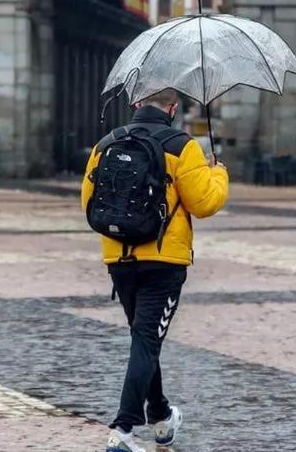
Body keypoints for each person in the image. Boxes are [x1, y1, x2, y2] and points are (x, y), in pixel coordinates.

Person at [81, 89, 229, 452]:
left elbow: (89, 200)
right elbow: (204, 203)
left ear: (135, 105)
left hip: (119, 258)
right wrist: (219, 174)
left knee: (144, 339)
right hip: (163, 261)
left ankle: (161, 417)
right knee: (146, 340)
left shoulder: (106, 144)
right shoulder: (182, 146)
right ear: (173, 108)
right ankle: (123, 430)